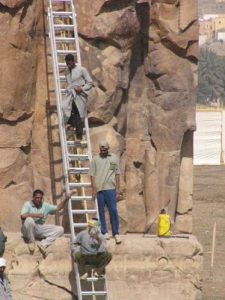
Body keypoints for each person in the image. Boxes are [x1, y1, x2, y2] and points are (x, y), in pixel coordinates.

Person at [89, 141, 122, 244]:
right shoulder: (95, 160)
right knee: (101, 211)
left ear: (108, 149)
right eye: (101, 150)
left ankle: (116, 233)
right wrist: (94, 189)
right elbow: (92, 175)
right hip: (100, 189)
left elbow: (117, 173)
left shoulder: (113, 158)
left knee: (113, 210)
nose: (103, 151)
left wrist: (118, 187)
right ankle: (104, 231)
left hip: (111, 188)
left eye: (104, 150)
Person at [20, 189, 70, 256]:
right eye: (37, 198)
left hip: (39, 228)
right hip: (27, 229)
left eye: (41, 198)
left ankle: (43, 244)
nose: (39, 200)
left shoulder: (45, 205)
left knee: (60, 229)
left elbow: (58, 207)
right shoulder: (27, 204)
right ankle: (31, 242)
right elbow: (23, 216)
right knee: (29, 220)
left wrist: (66, 198)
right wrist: (36, 215)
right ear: (33, 197)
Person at [62, 53, 93, 142]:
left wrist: (82, 89)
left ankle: (78, 136)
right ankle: (70, 124)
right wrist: (68, 88)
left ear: (73, 61)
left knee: (79, 113)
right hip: (72, 93)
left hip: (80, 94)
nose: (69, 64)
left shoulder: (82, 70)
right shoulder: (66, 71)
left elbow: (90, 83)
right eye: (67, 63)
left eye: (70, 62)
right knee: (65, 106)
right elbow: (70, 82)